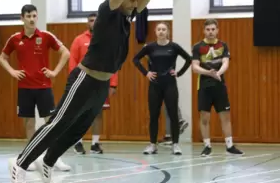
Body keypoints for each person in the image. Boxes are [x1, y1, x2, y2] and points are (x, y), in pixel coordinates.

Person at [9, 0, 157, 183]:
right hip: (85, 78)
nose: (135, 0)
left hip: (101, 84)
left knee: (78, 129)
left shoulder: (127, 17)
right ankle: (21, 163)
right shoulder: (108, 11)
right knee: (57, 123)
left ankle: (49, 163)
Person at [0, 4, 71, 172]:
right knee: (29, 123)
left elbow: (65, 53)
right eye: (28, 16)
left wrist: (54, 72)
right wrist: (12, 71)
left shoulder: (46, 36)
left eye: (34, 16)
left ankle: (54, 158)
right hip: (24, 88)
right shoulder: (15, 38)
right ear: (22, 18)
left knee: (50, 123)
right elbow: (2, 58)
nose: (31, 19)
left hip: (44, 87)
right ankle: (30, 157)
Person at [132, 22, 191, 155]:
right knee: (154, 115)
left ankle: (175, 144)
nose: (161, 31)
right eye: (159, 29)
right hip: (155, 85)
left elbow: (188, 59)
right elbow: (135, 59)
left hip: (170, 84)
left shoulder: (174, 47)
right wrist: (146, 73)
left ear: (167, 32)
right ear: (155, 32)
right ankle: (153, 144)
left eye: (164, 29)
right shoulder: (150, 47)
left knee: (173, 115)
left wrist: (179, 73)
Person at [191, 19, 243, 157]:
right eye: (208, 29)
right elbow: (195, 67)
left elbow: (226, 63)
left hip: (220, 85)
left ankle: (229, 146)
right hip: (204, 86)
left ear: (217, 30)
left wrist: (218, 73)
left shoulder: (223, 45)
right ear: (204, 31)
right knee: (204, 117)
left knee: (225, 116)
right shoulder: (197, 47)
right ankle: (207, 146)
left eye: (213, 29)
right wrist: (208, 73)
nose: (210, 32)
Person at [70, 12, 118, 155]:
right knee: (80, 114)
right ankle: (77, 142)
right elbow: (73, 61)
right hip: (82, 82)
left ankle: (95, 143)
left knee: (97, 114)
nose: (94, 23)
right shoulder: (79, 40)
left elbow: (113, 63)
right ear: (87, 23)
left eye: (96, 20)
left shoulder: (107, 40)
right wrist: (73, 81)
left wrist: (113, 84)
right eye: (91, 20)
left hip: (101, 82)